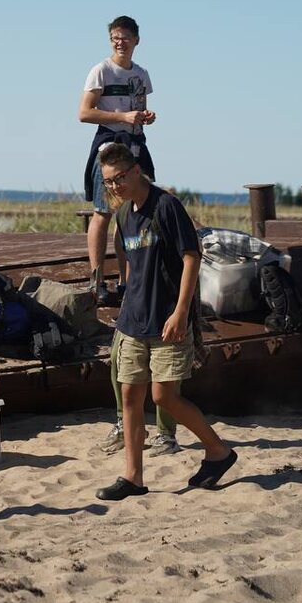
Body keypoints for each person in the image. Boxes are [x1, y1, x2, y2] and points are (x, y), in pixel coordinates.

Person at [93, 144, 239, 501]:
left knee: (164, 396)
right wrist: (124, 297)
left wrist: (180, 312)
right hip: (133, 321)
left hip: (167, 321)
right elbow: (128, 261)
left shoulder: (167, 206)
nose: (115, 187)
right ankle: (133, 477)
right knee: (129, 395)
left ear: (137, 169)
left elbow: (192, 258)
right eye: (109, 182)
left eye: (120, 178)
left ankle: (218, 451)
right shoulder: (124, 213)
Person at [79, 16, 177, 457]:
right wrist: (122, 115)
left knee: (142, 209)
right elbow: (84, 112)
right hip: (108, 142)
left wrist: (143, 117)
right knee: (103, 210)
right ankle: (98, 276)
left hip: (136, 142)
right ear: (111, 41)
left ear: (136, 40)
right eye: (114, 37)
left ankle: (130, 273)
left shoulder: (142, 75)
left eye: (126, 37)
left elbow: (140, 114)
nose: (120, 42)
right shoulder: (101, 71)